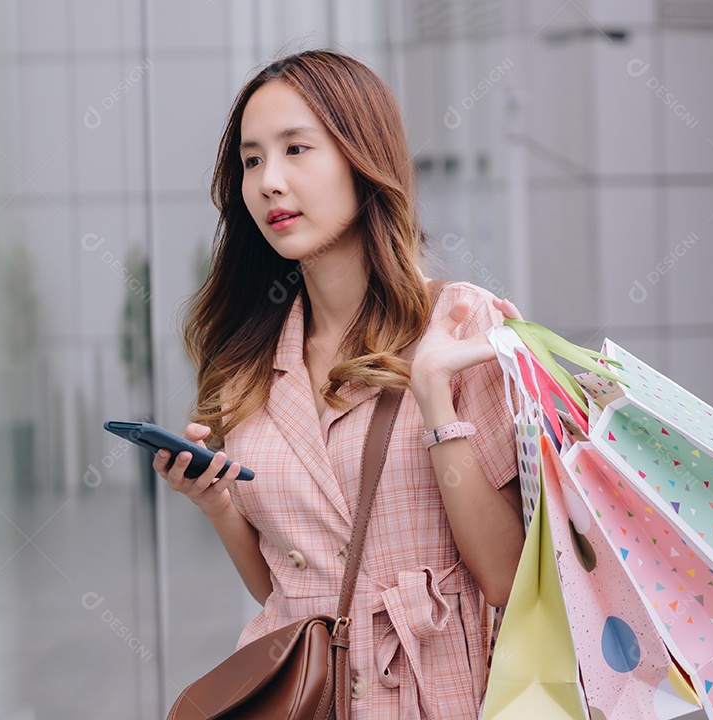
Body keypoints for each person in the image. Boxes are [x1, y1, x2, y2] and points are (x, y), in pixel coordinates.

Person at [153, 49, 526, 719]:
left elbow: (506, 575)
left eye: (297, 149)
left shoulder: (461, 322)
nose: (270, 181)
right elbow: (290, 585)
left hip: (436, 696)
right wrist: (217, 506)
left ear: (362, 158)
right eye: (252, 159)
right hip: (309, 699)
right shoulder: (252, 359)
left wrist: (435, 398)